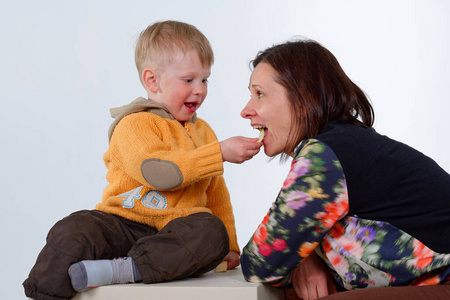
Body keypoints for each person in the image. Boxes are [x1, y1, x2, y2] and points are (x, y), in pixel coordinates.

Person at [23, 20, 262, 300]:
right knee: (74, 229)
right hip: (122, 224)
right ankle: (43, 295)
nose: (200, 89)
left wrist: (231, 246)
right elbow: (159, 173)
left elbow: (217, 195)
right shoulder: (134, 125)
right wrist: (218, 152)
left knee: (211, 231)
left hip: (175, 235)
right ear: (152, 80)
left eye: (205, 79)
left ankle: (122, 271)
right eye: (189, 80)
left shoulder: (204, 132)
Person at [239, 38, 450, 300]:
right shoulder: (342, 144)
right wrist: (303, 259)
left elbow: (259, 262)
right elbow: (275, 252)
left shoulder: (325, 156)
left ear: (303, 100)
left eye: (259, 94)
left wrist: (293, 259)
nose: (245, 111)